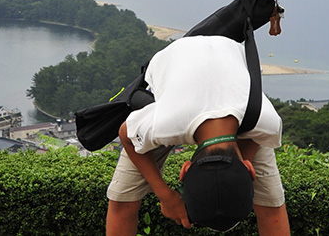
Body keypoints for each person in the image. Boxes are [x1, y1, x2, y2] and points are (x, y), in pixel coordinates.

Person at [105, 35, 290, 235]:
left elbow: (255, 137)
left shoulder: (265, 122)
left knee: (272, 206)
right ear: (183, 170)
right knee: (122, 202)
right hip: (177, 67)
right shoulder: (165, 122)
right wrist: (165, 196)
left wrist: (232, 176)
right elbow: (126, 134)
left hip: (230, 66)